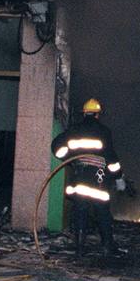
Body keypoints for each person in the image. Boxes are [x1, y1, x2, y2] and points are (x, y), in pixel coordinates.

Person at [51, 98, 124, 258]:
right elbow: (111, 158)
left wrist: (70, 160)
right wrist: (118, 177)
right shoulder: (104, 132)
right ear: (97, 115)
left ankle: (79, 248)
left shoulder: (74, 130)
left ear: (84, 113)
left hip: (80, 179)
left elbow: (56, 146)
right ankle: (107, 246)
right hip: (98, 180)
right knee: (103, 213)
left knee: (80, 212)